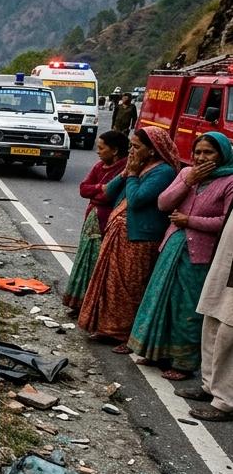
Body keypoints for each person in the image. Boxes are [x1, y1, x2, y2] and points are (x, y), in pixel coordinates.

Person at [127, 133, 233, 379]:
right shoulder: (187, 174)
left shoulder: (229, 181)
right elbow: (163, 203)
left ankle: (183, 363)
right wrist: (189, 180)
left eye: (208, 153)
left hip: (201, 255)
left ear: (223, 155)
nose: (201, 157)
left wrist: (190, 221)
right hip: (173, 247)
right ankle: (157, 353)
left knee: (187, 307)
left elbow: (226, 222)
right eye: (198, 152)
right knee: (162, 300)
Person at [77, 126, 180, 348]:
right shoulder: (137, 167)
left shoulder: (163, 172)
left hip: (141, 238)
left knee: (131, 286)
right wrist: (125, 173)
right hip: (118, 234)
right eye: (131, 146)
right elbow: (107, 192)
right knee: (111, 283)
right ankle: (107, 328)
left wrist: (131, 175)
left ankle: (126, 334)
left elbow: (137, 199)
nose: (131, 152)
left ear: (152, 150)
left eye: (136, 147)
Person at [64, 131, 130, 312]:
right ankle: (80, 303)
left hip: (108, 222)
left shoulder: (126, 171)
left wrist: (99, 193)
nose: (98, 152)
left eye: (101, 148)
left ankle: (93, 305)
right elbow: (84, 189)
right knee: (85, 259)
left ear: (115, 150)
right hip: (92, 218)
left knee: (100, 264)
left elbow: (108, 197)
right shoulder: (99, 166)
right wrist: (100, 188)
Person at [180, 205, 233, 421]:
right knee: (211, 318)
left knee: (228, 332)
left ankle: (225, 401)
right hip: (225, 260)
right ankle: (210, 386)